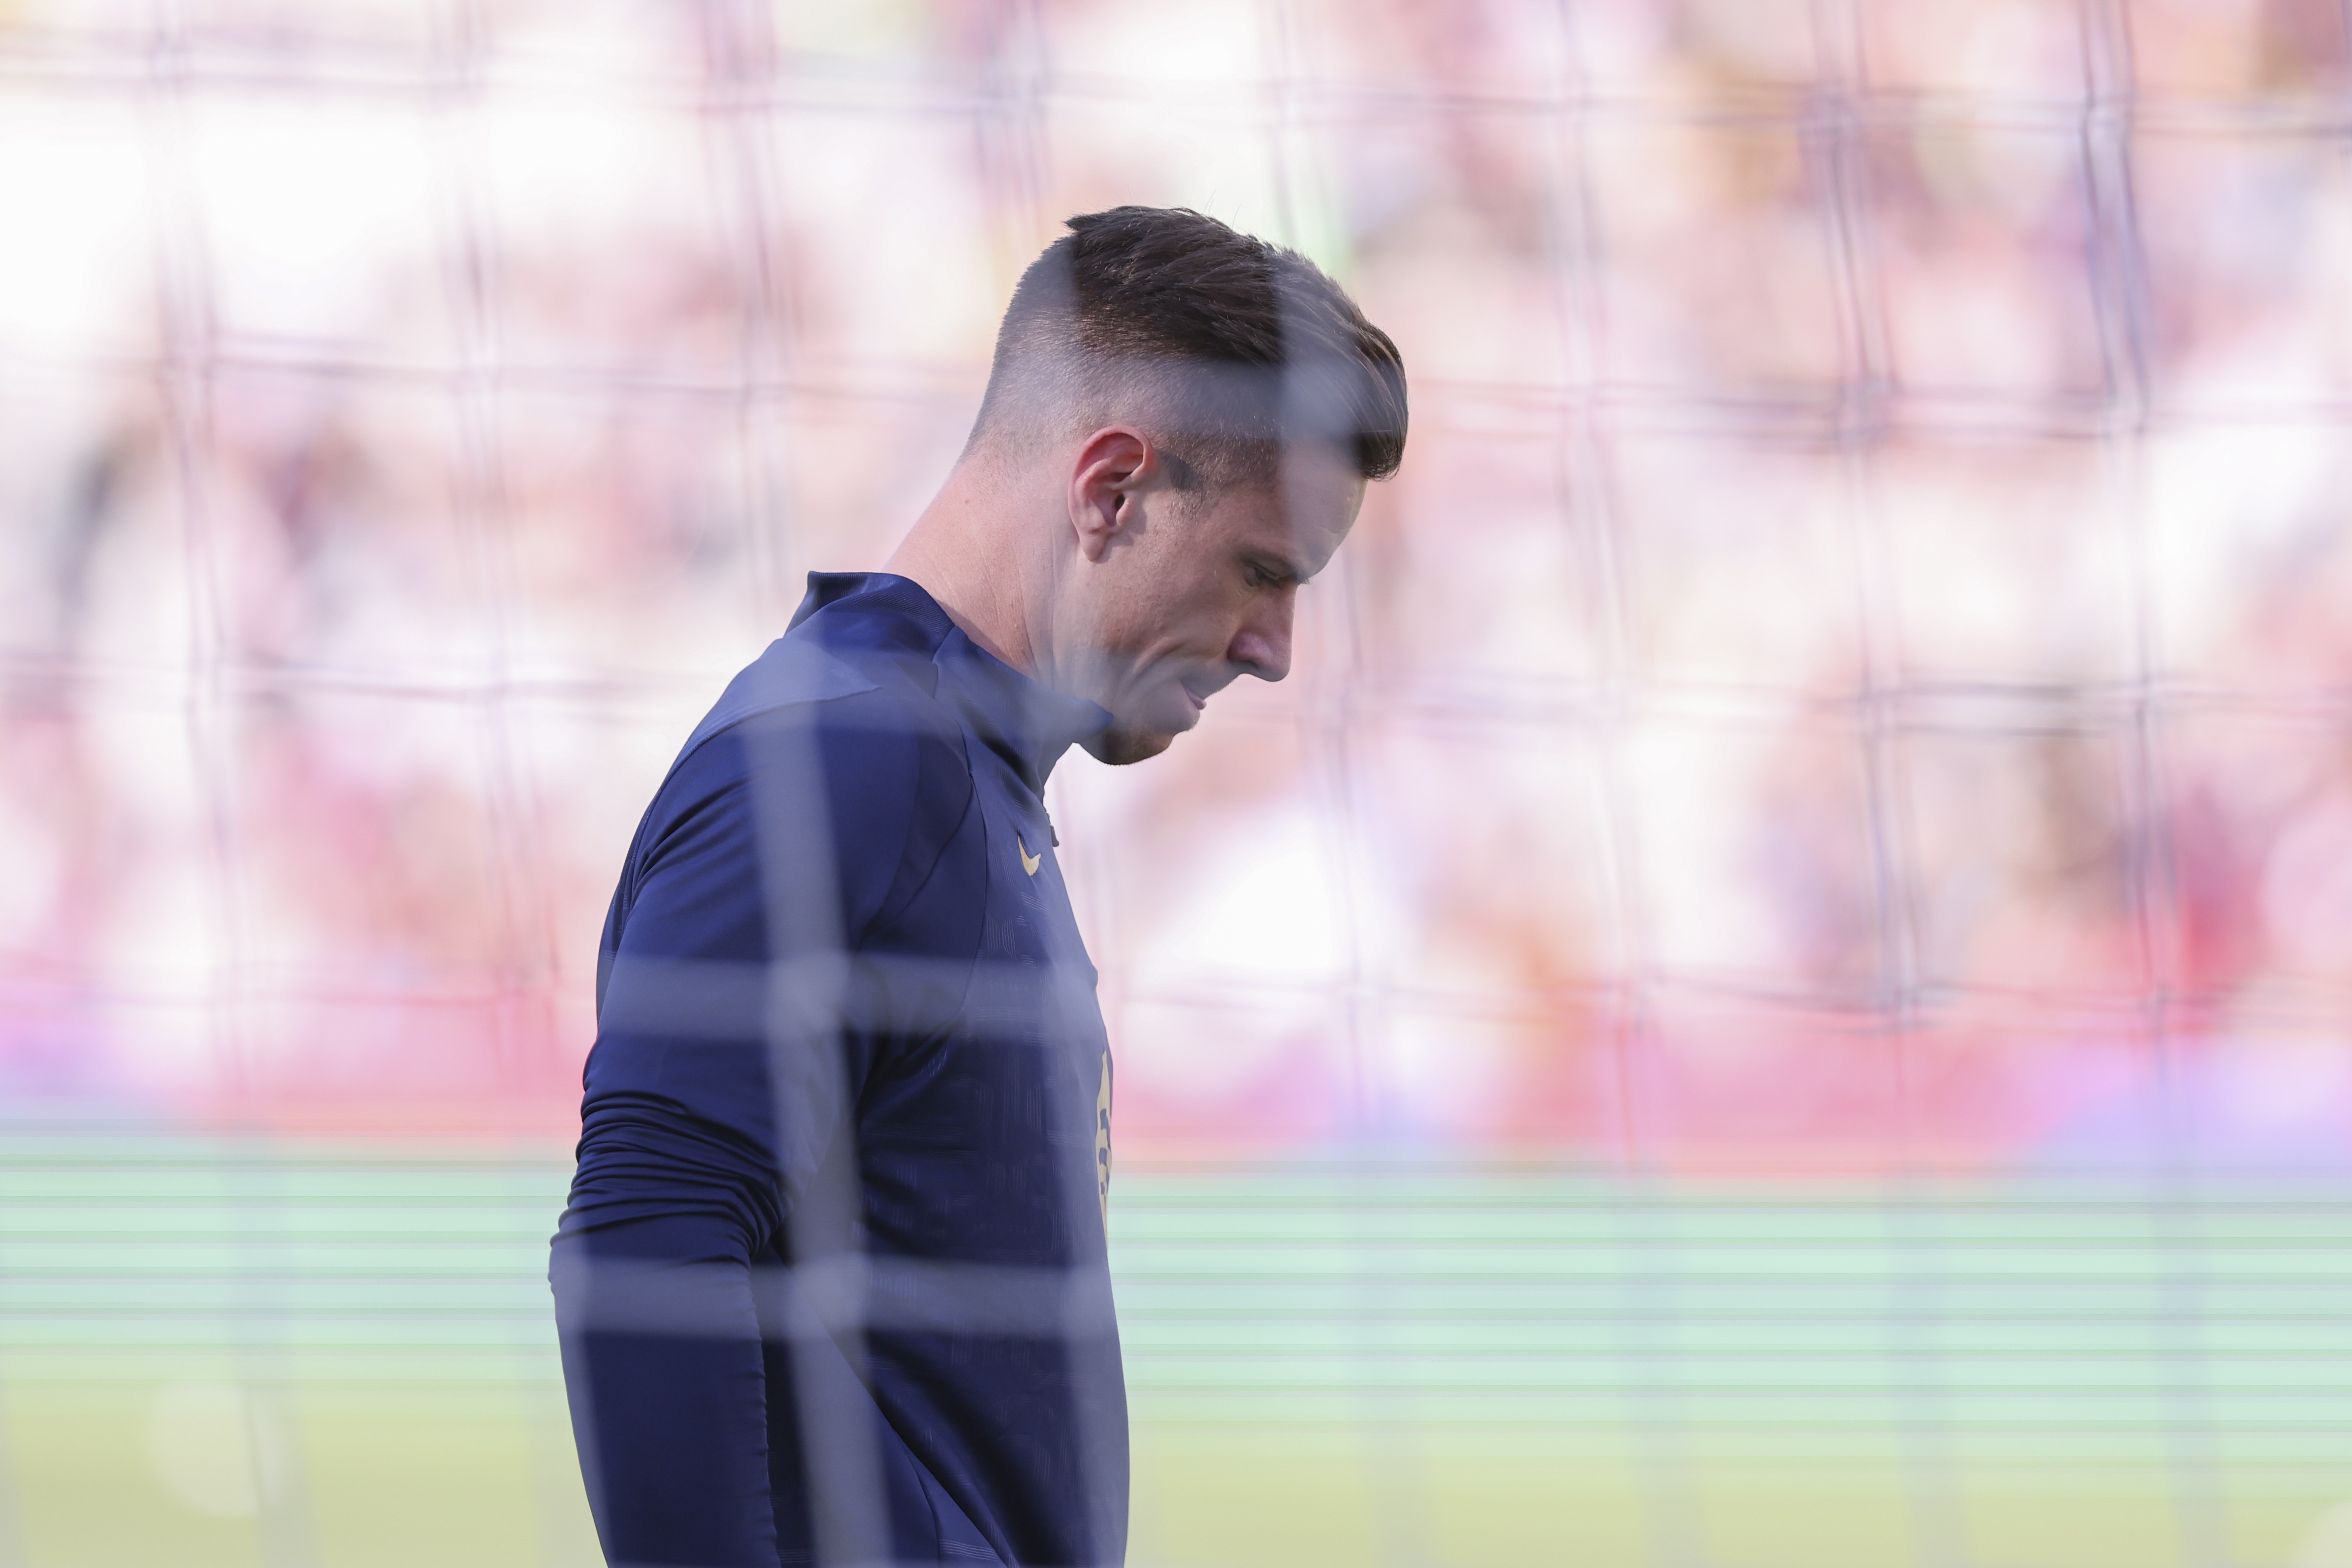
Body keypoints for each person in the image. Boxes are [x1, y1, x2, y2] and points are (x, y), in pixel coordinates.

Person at [549, 205, 1408, 1568]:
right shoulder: (853, 757)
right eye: (1262, 570)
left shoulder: (950, 771)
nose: (1276, 648)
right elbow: (647, 1241)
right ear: (1109, 489)